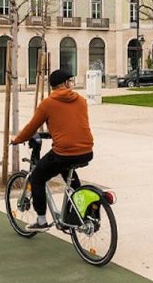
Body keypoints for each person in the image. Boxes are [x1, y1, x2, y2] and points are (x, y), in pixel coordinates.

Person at [11, 69, 94, 231]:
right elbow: (73, 125)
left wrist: (17, 139)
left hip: (64, 153)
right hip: (87, 150)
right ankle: (81, 211)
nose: (71, 84)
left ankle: (41, 221)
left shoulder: (47, 104)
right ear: (65, 83)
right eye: (70, 81)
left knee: (37, 177)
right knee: (68, 173)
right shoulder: (82, 100)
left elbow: (31, 127)